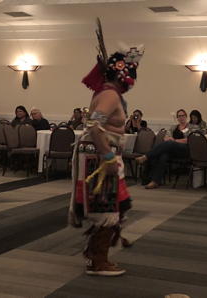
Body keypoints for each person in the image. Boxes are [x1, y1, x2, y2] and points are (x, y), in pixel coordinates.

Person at [68, 18, 144, 277]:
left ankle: (95, 255)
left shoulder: (108, 92)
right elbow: (93, 124)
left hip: (99, 155)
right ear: (124, 74)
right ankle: (98, 262)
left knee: (111, 207)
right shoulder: (110, 94)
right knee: (106, 209)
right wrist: (109, 155)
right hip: (99, 156)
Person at [136, 109, 199, 189]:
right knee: (163, 155)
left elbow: (190, 140)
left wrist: (175, 141)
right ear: (177, 118)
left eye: (183, 115)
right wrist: (171, 140)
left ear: (186, 116)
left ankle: (146, 156)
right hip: (173, 150)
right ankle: (155, 181)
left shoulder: (192, 127)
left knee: (170, 143)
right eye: (179, 116)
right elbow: (166, 138)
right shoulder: (173, 127)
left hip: (185, 150)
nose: (181, 117)